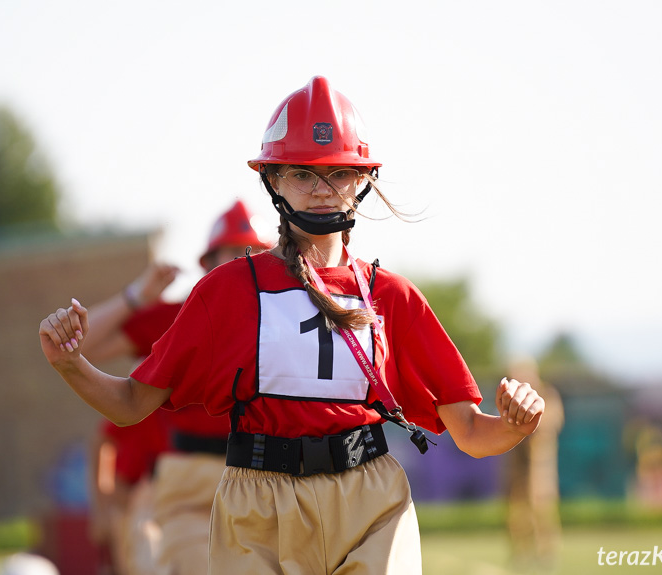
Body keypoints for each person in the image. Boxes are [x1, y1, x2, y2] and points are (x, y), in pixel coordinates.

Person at [39, 75, 546, 574]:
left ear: (363, 181)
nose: (322, 190)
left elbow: (473, 434)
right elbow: (131, 403)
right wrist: (70, 364)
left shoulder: (395, 295)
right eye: (303, 174)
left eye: (339, 174)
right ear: (273, 180)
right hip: (257, 507)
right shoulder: (225, 291)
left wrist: (516, 424)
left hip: (372, 502)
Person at [83, 200, 273, 575]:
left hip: (263, 477)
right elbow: (77, 348)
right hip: (187, 481)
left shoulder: (286, 323)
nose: (245, 262)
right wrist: (137, 296)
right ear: (208, 265)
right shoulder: (180, 318)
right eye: (234, 252)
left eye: (256, 254)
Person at [501, 356, 564, 574]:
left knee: (542, 510)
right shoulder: (509, 398)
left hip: (540, 465)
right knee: (516, 512)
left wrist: (529, 423)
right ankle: (520, 552)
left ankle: (545, 553)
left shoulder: (547, 395)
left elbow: (552, 423)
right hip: (516, 464)